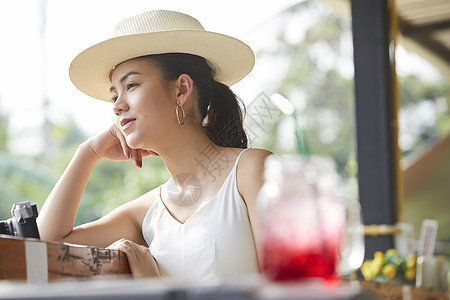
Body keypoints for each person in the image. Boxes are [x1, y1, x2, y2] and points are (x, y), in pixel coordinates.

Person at [37, 10, 272, 282]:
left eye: (132, 85)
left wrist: (154, 286)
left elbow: (292, 287)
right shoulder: (146, 212)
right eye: (114, 95)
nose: (117, 105)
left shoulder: (252, 170)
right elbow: (44, 247)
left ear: (182, 89)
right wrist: (88, 154)